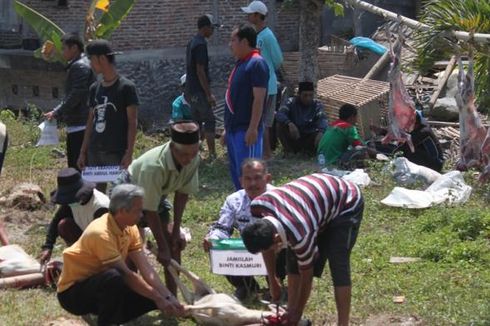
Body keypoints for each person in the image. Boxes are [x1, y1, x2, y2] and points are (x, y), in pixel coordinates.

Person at [242, 173, 364, 326]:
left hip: (346, 201)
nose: (272, 250)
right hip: (311, 203)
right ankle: (290, 313)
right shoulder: (258, 206)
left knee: (338, 264)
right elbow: (269, 249)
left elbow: (307, 276)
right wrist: (272, 280)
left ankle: (343, 323)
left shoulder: (301, 234)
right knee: (292, 261)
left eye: (272, 246)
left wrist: (298, 311)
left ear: (275, 238)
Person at [57, 184, 184, 325]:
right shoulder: (100, 233)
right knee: (114, 277)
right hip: (72, 294)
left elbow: (145, 267)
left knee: (151, 298)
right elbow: (126, 275)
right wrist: (158, 297)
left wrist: (167, 297)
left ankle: (106, 315)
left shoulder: (131, 228)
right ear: (123, 211)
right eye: (138, 211)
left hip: (99, 285)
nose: (142, 215)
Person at [117, 121, 200, 295]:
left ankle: (172, 297)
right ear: (172, 148)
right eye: (184, 154)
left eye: (193, 153)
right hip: (128, 190)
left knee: (174, 244)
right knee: (132, 247)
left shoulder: (193, 158)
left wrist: (176, 230)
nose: (189, 159)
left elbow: (182, 194)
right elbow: (150, 210)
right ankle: (131, 295)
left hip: (156, 193)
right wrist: (161, 248)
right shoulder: (153, 167)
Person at [202, 159, 285, 301]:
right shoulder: (233, 201)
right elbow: (222, 227)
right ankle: (246, 286)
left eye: (257, 178)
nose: (253, 183)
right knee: (217, 246)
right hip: (249, 249)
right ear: (241, 181)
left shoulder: (280, 198)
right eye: (248, 179)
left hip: (276, 248)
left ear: (267, 178)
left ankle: (277, 282)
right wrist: (213, 238)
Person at [77, 39, 139, 192]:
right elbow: (90, 121)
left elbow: (132, 122)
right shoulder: (94, 88)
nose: (90, 64)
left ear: (102, 59)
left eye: (91, 59)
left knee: (119, 194)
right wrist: (83, 152)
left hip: (116, 152)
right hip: (95, 152)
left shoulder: (126, 87)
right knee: (96, 196)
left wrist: (129, 153)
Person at [224, 23, 269, 190]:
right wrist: (227, 128)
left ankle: (255, 211)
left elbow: (259, 99)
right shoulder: (241, 63)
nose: (230, 44)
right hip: (234, 129)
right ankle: (242, 211)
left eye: (233, 40)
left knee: (250, 176)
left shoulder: (257, 64)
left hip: (246, 131)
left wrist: (253, 127)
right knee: (238, 175)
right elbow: (234, 98)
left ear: (244, 42)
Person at [44, 33, 95, 170]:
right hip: (81, 123)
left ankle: (82, 191)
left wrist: (57, 111)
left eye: (64, 48)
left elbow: (76, 94)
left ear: (74, 48)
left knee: (77, 166)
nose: (62, 52)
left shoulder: (79, 66)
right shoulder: (81, 63)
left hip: (81, 124)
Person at [39, 168, 109, 265]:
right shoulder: (72, 203)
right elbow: (56, 221)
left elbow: (104, 239)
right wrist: (48, 247)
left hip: (102, 244)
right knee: (64, 225)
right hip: (85, 237)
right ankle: (79, 258)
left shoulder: (100, 207)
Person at [242, 1, 283, 160]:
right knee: (259, 120)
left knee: (263, 122)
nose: (248, 15)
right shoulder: (256, 35)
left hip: (268, 85)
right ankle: (262, 152)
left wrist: (267, 68)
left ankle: (266, 153)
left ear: (258, 16)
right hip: (259, 84)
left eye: (251, 13)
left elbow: (278, 59)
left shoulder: (267, 36)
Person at [185, 14, 220, 159]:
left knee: (196, 123)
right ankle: (212, 154)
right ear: (205, 28)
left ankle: (195, 155)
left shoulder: (192, 42)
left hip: (190, 90)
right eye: (212, 28)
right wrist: (208, 94)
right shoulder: (200, 44)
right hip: (199, 91)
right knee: (210, 120)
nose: (213, 31)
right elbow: (200, 70)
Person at [371, 112, 444, 172]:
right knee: (402, 149)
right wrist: (382, 131)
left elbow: (404, 145)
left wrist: (378, 152)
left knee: (405, 151)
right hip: (428, 158)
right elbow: (400, 134)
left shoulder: (424, 132)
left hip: (436, 164)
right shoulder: (417, 126)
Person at [275, 81, 328, 156]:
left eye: (310, 95)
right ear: (299, 94)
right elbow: (280, 114)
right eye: (305, 95)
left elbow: (323, 119)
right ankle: (289, 152)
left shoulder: (317, 104)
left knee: (325, 131)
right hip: (294, 136)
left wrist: (321, 131)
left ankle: (310, 153)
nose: (308, 98)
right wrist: (289, 123)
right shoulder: (290, 102)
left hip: (309, 137)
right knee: (280, 124)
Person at [317, 104, 373, 169]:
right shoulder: (349, 127)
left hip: (321, 161)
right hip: (333, 163)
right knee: (362, 150)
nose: (356, 120)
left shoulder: (332, 125)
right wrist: (375, 153)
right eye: (356, 117)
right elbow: (358, 146)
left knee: (350, 148)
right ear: (352, 117)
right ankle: (369, 167)